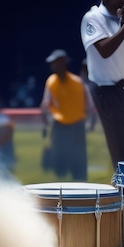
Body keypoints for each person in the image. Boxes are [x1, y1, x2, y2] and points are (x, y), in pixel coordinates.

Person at [81, 0, 124, 169]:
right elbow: (105, 50)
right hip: (106, 89)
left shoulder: (117, 18)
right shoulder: (93, 17)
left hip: (119, 87)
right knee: (122, 152)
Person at [40, 49, 93, 181]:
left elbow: (89, 104)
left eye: (56, 63)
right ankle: (61, 184)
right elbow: (46, 103)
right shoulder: (51, 82)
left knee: (78, 160)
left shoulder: (77, 82)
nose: (53, 66)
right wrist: (45, 124)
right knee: (60, 160)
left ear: (63, 63)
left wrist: (90, 122)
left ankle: (80, 184)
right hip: (59, 126)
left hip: (77, 125)